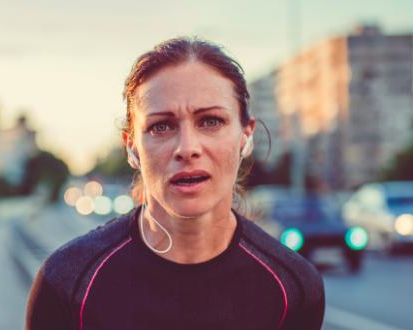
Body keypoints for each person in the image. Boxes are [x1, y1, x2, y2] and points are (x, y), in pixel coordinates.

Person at [25, 37, 325, 330]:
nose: (187, 147)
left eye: (210, 121)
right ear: (132, 148)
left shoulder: (294, 287)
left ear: (245, 136)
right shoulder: (67, 282)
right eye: (161, 126)